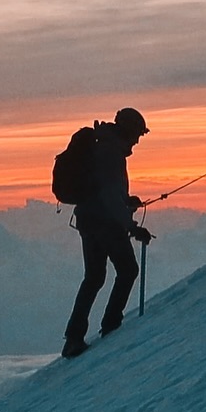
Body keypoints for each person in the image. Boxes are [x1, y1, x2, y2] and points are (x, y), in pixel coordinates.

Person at [61, 107, 153, 359]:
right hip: (104, 222)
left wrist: (126, 201)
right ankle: (111, 325)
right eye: (137, 134)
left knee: (94, 277)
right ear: (128, 130)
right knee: (128, 270)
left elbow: (105, 191)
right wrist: (132, 227)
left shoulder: (103, 146)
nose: (137, 140)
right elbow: (110, 197)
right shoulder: (111, 152)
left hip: (88, 220)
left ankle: (73, 338)